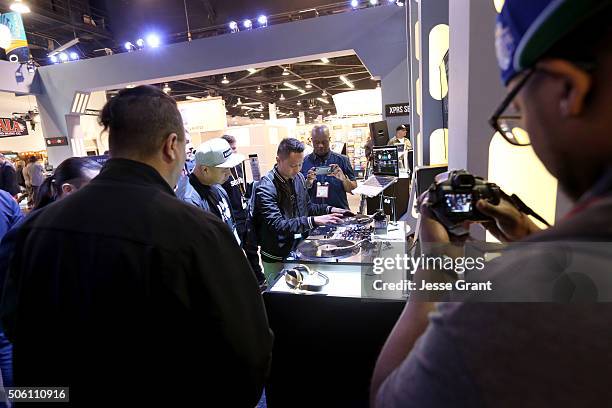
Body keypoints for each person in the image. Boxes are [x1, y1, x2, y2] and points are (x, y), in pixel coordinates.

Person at [372, 1, 612, 406]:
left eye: (516, 111)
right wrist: (535, 241)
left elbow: (389, 398)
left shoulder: (506, 307)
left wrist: (435, 268)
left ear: (568, 88)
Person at [0, 85, 273, 406]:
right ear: (171, 146)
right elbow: (246, 352)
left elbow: (13, 324)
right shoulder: (197, 233)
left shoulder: (33, 228)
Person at [253, 137, 351, 282]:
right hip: (277, 255)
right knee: (279, 296)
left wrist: (331, 209)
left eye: (300, 164)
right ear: (278, 160)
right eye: (293, 165)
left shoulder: (298, 177)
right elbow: (277, 224)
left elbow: (307, 207)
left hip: (299, 249)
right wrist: (313, 221)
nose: (298, 169)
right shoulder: (266, 187)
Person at [220, 134, 266, 284]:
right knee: (238, 255)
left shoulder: (239, 164)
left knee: (252, 250)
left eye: (235, 148)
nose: (234, 152)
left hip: (245, 214)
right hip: (233, 218)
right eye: (230, 149)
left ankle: (259, 280)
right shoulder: (221, 171)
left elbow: (243, 187)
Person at [183, 138, 243, 245]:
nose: (229, 173)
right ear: (205, 170)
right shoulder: (190, 202)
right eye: (224, 169)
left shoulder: (217, 186)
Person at [302, 125, 357, 210]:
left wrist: (344, 180)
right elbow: (299, 192)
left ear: (329, 139)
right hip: (315, 216)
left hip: (339, 213)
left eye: (324, 142)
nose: (320, 145)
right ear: (311, 140)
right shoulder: (303, 162)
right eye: (316, 142)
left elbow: (353, 190)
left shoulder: (342, 160)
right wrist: (308, 182)